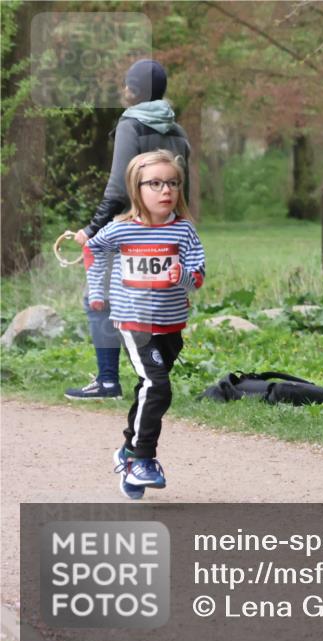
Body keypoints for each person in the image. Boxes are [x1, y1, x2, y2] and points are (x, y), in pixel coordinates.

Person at [65, 59, 191, 400]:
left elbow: (119, 189)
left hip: (127, 228)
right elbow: (184, 189)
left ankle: (108, 381)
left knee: (99, 299)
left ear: (134, 90)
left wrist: (92, 230)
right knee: (154, 300)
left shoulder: (130, 124)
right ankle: (153, 377)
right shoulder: (178, 131)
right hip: (167, 228)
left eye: (127, 84)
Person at [86, 149, 205, 500]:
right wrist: (97, 291)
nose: (165, 190)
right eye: (155, 183)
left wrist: (180, 275)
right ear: (137, 189)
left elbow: (198, 277)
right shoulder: (122, 229)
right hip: (133, 323)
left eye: (172, 183)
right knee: (158, 387)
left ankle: (125, 452)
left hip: (171, 326)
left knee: (149, 389)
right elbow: (94, 250)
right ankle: (142, 460)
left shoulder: (183, 231)